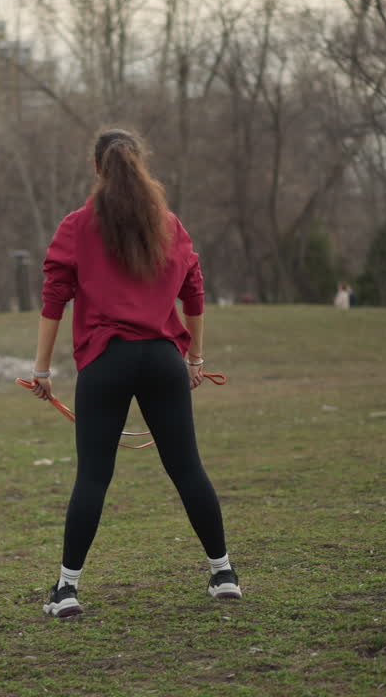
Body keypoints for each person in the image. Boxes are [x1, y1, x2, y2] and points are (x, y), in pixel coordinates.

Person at [28, 128, 239, 619]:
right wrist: (195, 360)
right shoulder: (169, 225)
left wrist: (41, 369)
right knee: (187, 469)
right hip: (163, 360)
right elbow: (194, 293)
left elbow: (54, 299)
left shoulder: (76, 226)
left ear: (97, 169)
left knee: (94, 477)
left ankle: (67, 591)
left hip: (106, 361)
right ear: (140, 165)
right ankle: (223, 573)